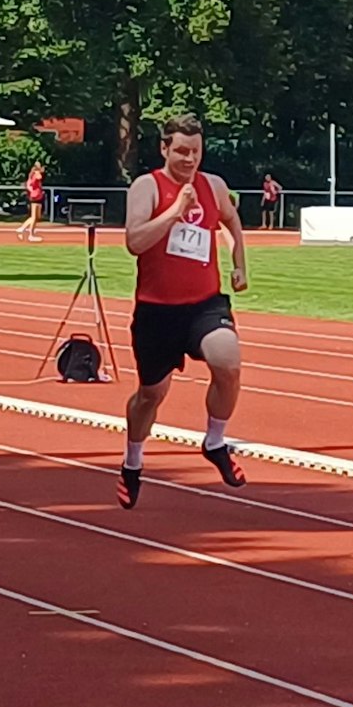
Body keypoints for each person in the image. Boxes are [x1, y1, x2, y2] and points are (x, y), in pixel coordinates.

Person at [116, 115, 249, 508]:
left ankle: (214, 441)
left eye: (196, 151)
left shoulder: (214, 185)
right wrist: (174, 211)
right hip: (158, 311)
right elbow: (135, 242)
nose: (190, 159)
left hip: (204, 303)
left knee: (228, 362)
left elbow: (230, 219)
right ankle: (132, 463)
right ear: (164, 149)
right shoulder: (147, 187)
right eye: (182, 152)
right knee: (150, 395)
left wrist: (239, 261)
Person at [17, 161, 45, 241]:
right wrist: (39, 171)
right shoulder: (35, 175)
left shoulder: (32, 176)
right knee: (34, 217)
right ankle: (30, 234)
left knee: (37, 217)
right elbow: (38, 177)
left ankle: (23, 228)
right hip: (35, 197)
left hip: (38, 196)